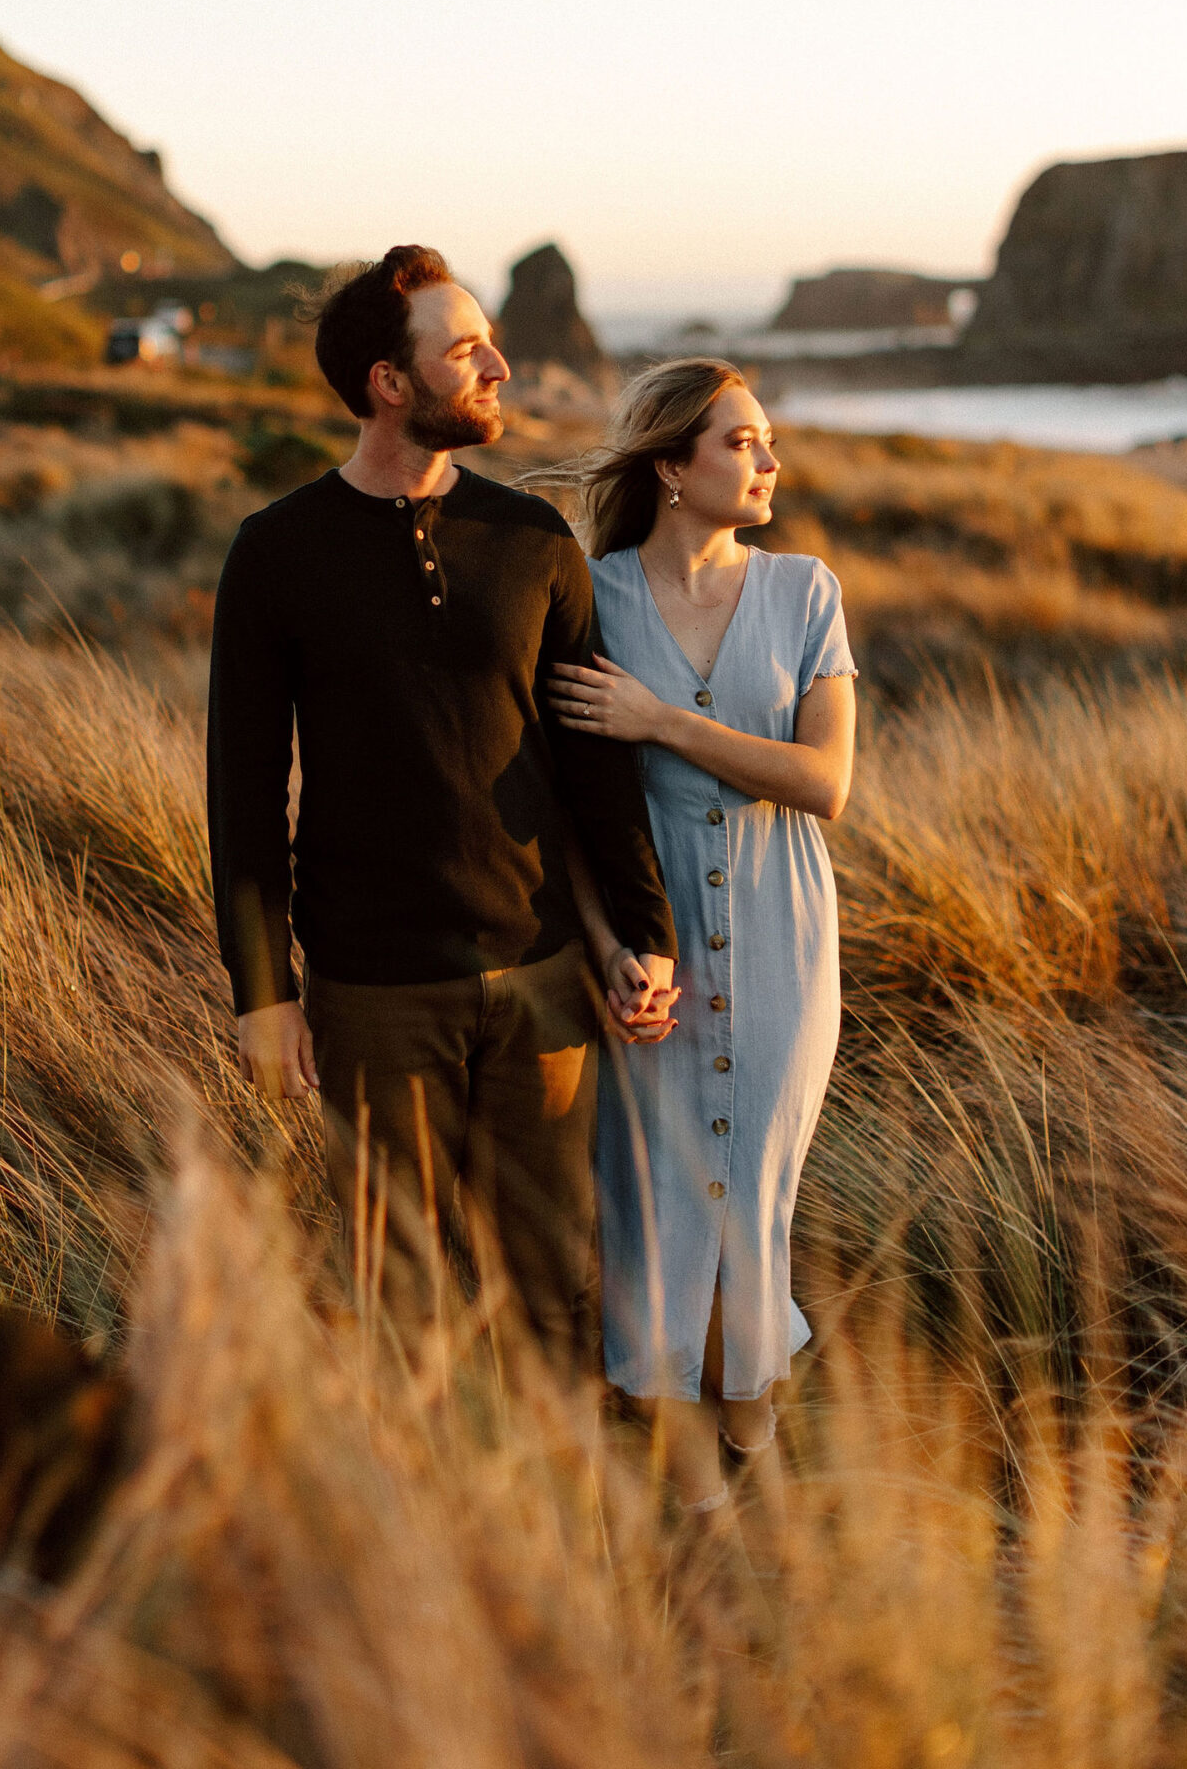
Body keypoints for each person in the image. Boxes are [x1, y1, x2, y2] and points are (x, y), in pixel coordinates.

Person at [206, 245, 678, 1366]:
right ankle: (415, 1536)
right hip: (375, 992)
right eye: (467, 351)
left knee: (552, 1299)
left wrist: (642, 936)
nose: (500, 366)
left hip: (544, 982)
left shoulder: (533, 541)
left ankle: (564, 1539)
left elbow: (594, 767)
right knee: (396, 1304)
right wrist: (263, 991)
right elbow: (243, 784)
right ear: (389, 381)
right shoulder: (277, 552)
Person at [545, 359, 856, 1510]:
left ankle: (747, 1435)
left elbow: (825, 782)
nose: (769, 460)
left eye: (767, 439)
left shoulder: (805, 590)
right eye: (742, 441)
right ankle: (678, 1465)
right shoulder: (590, 596)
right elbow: (572, 808)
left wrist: (661, 719)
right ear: (670, 466)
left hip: (784, 926)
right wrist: (605, 943)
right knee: (655, 1182)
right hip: (651, 925)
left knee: (757, 1178)